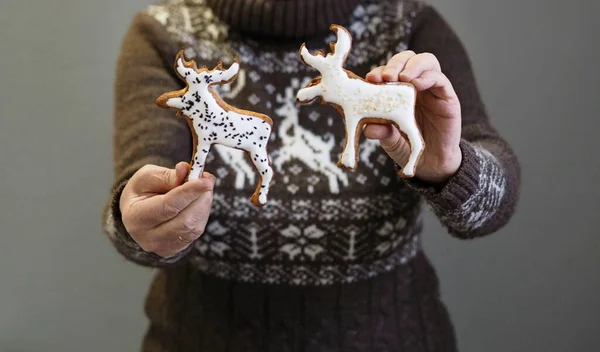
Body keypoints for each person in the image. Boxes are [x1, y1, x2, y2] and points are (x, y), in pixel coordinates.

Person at [102, 0, 521, 350]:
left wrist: (451, 168)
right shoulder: (163, 32)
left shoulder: (408, 25)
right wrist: (142, 221)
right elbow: (141, 200)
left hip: (393, 335)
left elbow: (490, 209)